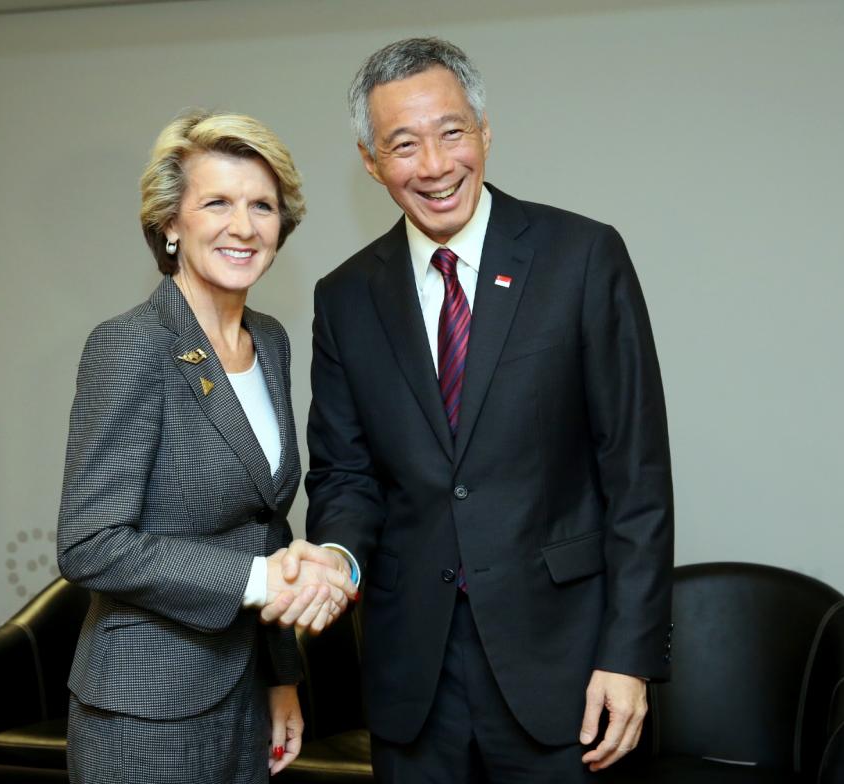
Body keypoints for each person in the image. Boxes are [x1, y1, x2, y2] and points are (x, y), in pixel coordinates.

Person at [304, 38, 674, 782]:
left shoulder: (581, 258)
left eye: (451, 132)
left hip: (565, 667)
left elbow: (636, 475)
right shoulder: (344, 298)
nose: (435, 166)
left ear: (484, 132)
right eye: (403, 145)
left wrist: (627, 656)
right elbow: (345, 477)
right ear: (371, 162)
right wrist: (337, 560)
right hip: (414, 676)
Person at [57, 110, 357, 784]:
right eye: (216, 202)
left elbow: (265, 523)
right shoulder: (131, 345)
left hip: (245, 694)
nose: (243, 226)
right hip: (144, 707)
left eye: (262, 206)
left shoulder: (270, 341)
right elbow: (89, 542)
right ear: (171, 223)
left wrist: (282, 678)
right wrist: (259, 582)